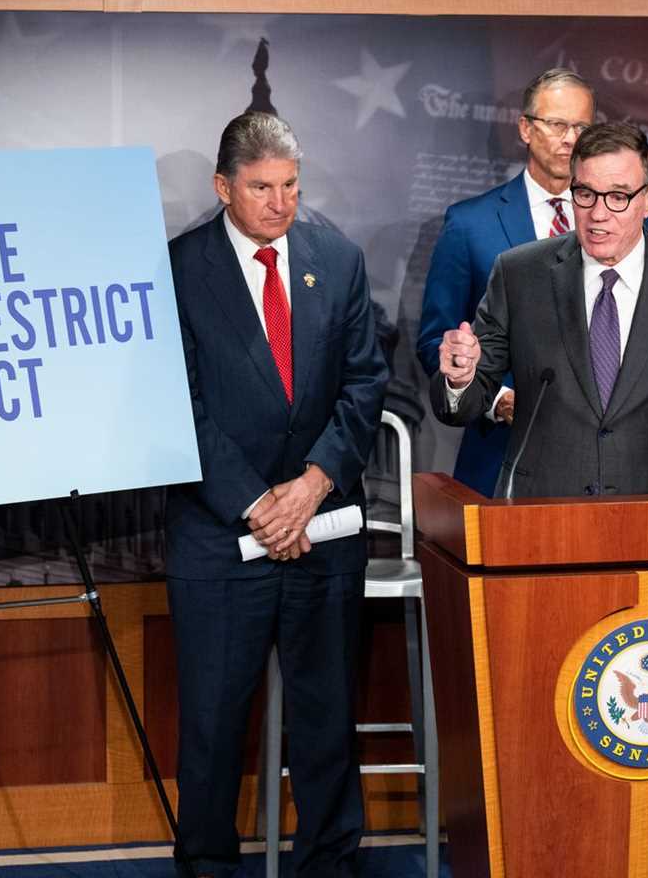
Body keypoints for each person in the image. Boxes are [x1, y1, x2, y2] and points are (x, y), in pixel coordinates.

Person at [165, 111, 388, 878]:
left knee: (326, 721)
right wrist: (262, 506)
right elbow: (179, 405)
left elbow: (365, 383)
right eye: (261, 187)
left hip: (322, 527)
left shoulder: (339, 258)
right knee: (214, 725)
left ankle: (329, 863)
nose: (280, 203)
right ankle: (207, 866)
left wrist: (314, 484)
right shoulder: (177, 269)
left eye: (290, 185)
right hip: (218, 535)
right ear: (224, 186)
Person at [431, 121, 648, 497]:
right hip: (540, 512)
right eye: (585, 193)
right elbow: (464, 404)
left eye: (618, 196)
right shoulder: (519, 274)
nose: (598, 213)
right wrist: (460, 378)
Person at [416, 68, 595, 495]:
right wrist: (496, 400)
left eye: (582, 127)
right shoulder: (469, 225)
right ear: (525, 128)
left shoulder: (625, 220)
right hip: (504, 457)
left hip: (607, 465)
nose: (569, 138)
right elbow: (436, 341)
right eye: (556, 124)